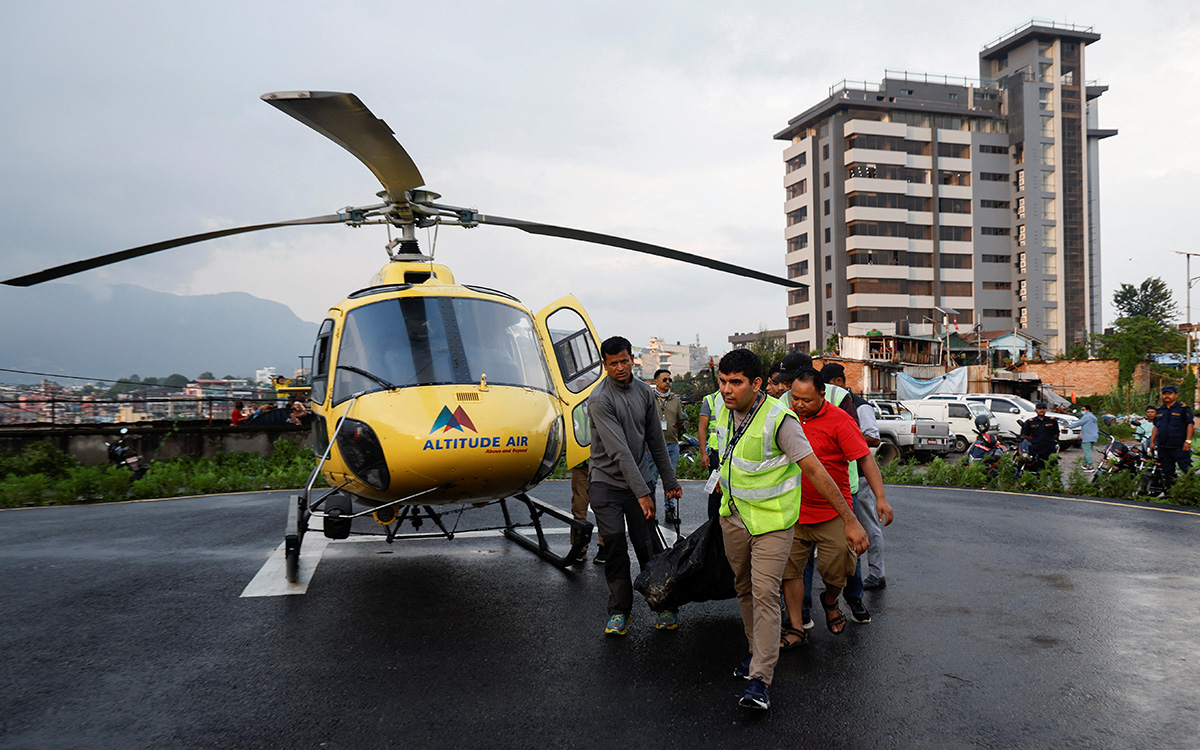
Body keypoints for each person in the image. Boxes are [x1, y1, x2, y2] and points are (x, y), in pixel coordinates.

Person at [713, 349, 865, 711]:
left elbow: (815, 471)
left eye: (736, 382)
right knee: (744, 588)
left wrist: (850, 519)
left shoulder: (779, 419)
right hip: (733, 518)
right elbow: (726, 454)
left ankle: (760, 679)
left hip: (773, 525)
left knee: (765, 593)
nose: (727, 390)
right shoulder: (722, 408)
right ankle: (756, 652)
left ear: (757, 384)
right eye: (723, 381)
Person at [780, 368, 890, 649]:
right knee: (790, 572)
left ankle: (830, 601)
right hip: (793, 511)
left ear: (822, 394)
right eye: (795, 398)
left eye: (806, 400)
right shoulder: (785, 417)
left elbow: (865, 459)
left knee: (839, 569)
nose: (799, 405)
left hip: (833, 512)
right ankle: (796, 627)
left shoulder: (840, 420)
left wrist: (880, 498)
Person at [588, 337, 682, 636]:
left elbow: (656, 440)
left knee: (646, 544)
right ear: (605, 365)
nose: (620, 367)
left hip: (639, 479)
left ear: (632, 360)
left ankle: (662, 602)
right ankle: (620, 611)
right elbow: (619, 451)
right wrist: (643, 493)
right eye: (613, 363)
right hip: (605, 481)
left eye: (624, 361)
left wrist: (669, 481)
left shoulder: (644, 392)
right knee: (615, 541)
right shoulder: (599, 399)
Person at [822, 362, 893, 592]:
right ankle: (850, 576)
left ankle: (877, 574)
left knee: (868, 526)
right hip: (843, 476)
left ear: (838, 382)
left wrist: (845, 436)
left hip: (860, 476)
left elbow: (874, 438)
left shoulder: (860, 406)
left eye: (828, 385)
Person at [642, 368, 687, 525]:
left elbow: (685, 420)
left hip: (672, 445)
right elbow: (642, 421)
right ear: (656, 382)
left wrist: (682, 425)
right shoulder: (648, 399)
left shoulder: (676, 401)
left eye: (670, 380)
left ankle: (670, 511)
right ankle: (651, 512)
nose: (668, 382)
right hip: (652, 446)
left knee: (671, 480)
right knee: (651, 480)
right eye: (664, 380)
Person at [1151, 385, 1195, 490]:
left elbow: (1190, 425)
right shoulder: (1160, 410)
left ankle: (1193, 492)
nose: (1167, 396)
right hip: (1164, 446)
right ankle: (1170, 493)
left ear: (1176, 395)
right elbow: (1156, 427)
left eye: (1169, 394)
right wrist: (1152, 442)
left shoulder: (1183, 409)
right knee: (1167, 472)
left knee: (1187, 470)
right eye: (1164, 394)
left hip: (1179, 446)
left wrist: (1188, 442)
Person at [697, 388, 724, 518]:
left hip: (733, 454)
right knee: (715, 493)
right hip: (715, 454)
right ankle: (713, 524)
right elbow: (702, 428)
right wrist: (703, 454)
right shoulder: (710, 400)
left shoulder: (738, 398)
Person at [1020, 403, 1059, 472]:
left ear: (1046, 410)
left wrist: (1049, 440)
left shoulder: (1052, 421)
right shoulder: (1030, 422)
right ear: (1036, 410)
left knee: (1052, 466)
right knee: (1036, 466)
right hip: (1036, 448)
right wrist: (1035, 441)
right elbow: (1026, 435)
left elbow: (1056, 434)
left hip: (1049, 447)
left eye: (1043, 409)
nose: (1042, 410)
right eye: (1039, 409)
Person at [1065, 404, 1099, 471]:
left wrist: (1069, 426)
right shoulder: (1093, 417)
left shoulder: (1086, 417)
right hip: (1094, 436)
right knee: (1088, 450)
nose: (1082, 411)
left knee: (1087, 452)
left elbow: (1079, 423)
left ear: (1088, 410)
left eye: (1083, 410)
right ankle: (1085, 464)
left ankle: (1090, 466)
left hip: (1087, 436)